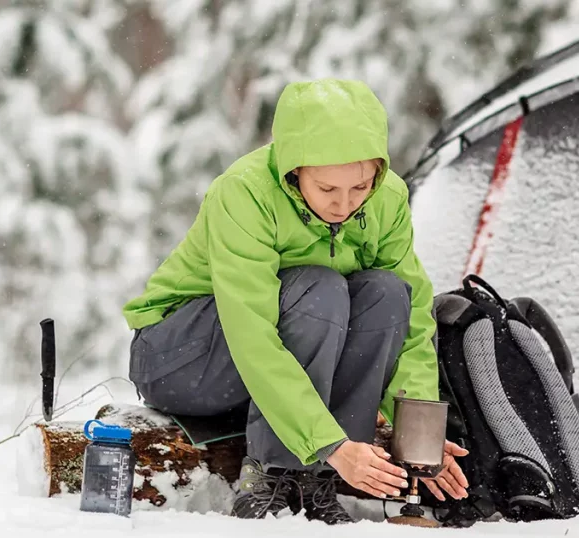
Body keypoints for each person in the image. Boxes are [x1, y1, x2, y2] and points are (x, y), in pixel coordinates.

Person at [121, 78, 469, 524]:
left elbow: (415, 318)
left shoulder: (387, 200)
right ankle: (272, 468)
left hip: (276, 364)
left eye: (360, 187)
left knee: (385, 293)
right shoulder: (245, 194)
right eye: (327, 190)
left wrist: (418, 434)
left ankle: (317, 476)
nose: (344, 204)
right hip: (181, 358)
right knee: (317, 288)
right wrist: (327, 442)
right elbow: (253, 335)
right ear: (294, 170)